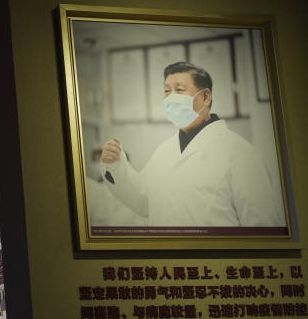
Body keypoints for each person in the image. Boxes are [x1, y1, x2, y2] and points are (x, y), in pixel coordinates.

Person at [100, 61, 284, 227]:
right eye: (166, 91)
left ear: (205, 97)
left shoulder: (239, 152)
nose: (170, 98)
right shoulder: (163, 151)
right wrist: (117, 165)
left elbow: (263, 224)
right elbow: (143, 201)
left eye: (179, 90)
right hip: (167, 262)